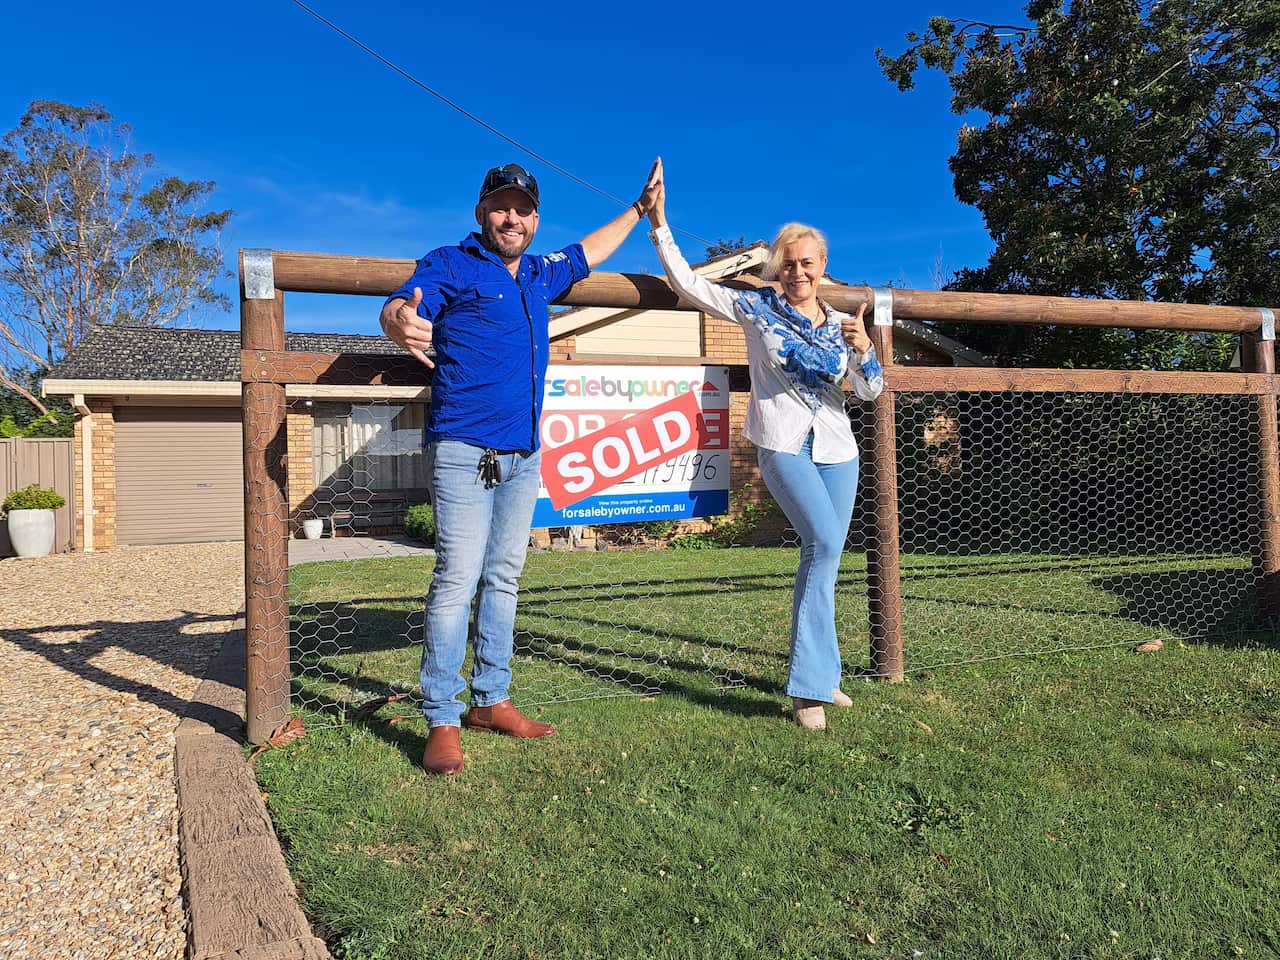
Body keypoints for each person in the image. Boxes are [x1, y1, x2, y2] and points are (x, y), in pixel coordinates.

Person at [380, 160, 662, 775]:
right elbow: (403, 303)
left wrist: (640, 210)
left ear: (535, 220)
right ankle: (442, 716)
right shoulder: (451, 262)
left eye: (524, 209)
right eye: (501, 206)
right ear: (483, 213)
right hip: (463, 448)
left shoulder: (538, 274)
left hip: (523, 455)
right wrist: (398, 318)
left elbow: (590, 249)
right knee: (457, 580)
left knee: (504, 578)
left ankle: (491, 698)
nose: (513, 217)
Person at [643, 158, 883, 730]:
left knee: (821, 558)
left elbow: (869, 393)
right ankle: (808, 691)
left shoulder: (842, 323)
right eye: (789, 263)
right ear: (778, 267)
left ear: (823, 266)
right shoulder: (757, 308)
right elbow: (688, 282)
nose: (797, 271)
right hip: (781, 445)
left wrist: (865, 349)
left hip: (837, 450)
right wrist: (660, 223)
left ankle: (821, 674)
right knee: (824, 544)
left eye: (807, 263)